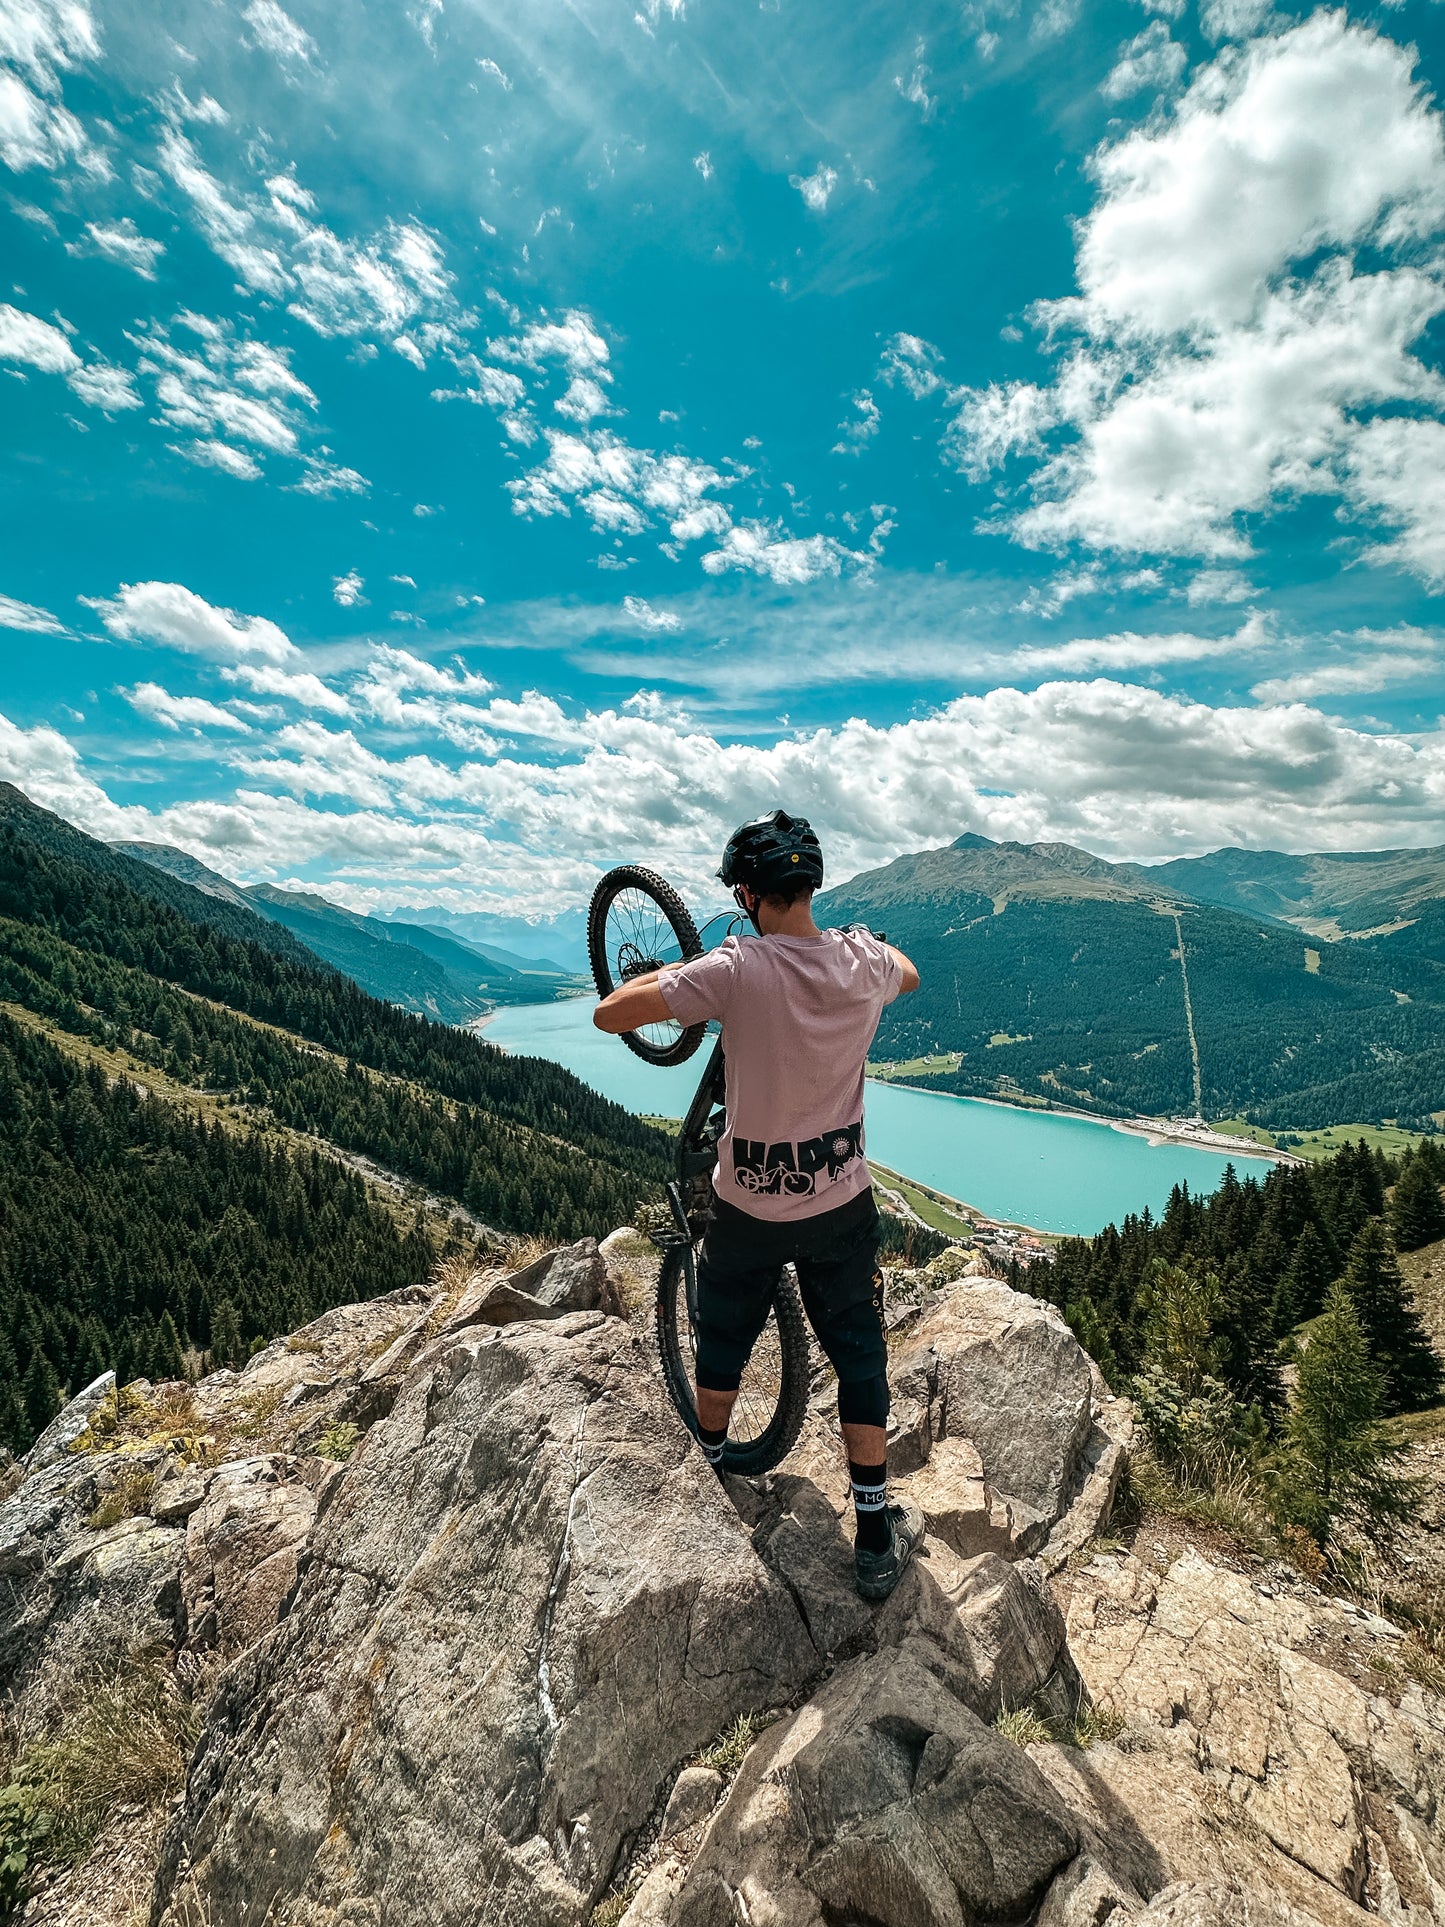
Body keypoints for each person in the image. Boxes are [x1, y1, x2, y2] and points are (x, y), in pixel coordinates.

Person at [593, 809, 925, 1601]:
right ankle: (874, 1536)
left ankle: (708, 1471)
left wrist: (677, 975)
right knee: (858, 1354)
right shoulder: (861, 959)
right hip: (841, 1203)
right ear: (811, 883)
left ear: (747, 892)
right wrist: (863, 941)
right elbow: (908, 973)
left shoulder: (733, 967)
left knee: (723, 1338)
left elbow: (611, 1015)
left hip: (748, 1206)